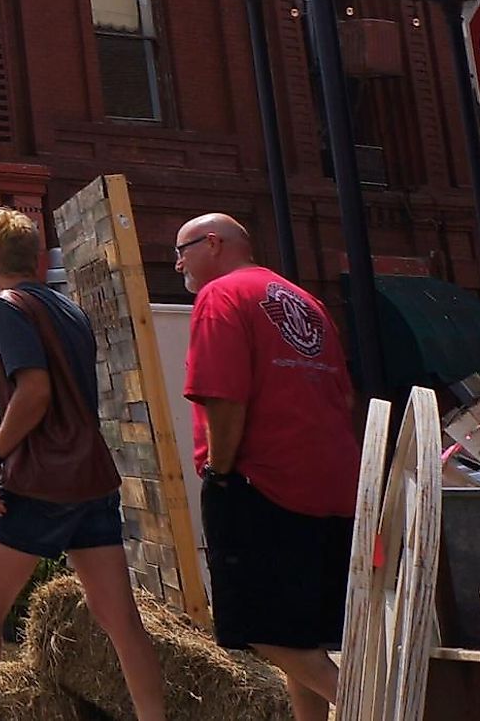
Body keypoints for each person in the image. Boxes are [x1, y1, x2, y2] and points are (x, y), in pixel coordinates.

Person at [0, 207, 167, 721]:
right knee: (120, 618)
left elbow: (34, 391)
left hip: (40, 480)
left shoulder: (8, 308)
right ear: (41, 261)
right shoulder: (71, 312)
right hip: (91, 476)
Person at [176, 213, 358, 721]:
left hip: (263, 482)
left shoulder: (221, 296)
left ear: (213, 243)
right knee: (300, 634)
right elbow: (344, 396)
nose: (177, 263)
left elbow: (223, 396)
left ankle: (372, 706)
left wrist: (220, 472)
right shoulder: (306, 301)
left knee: (256, 626)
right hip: (333, 483)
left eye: (183, 249)